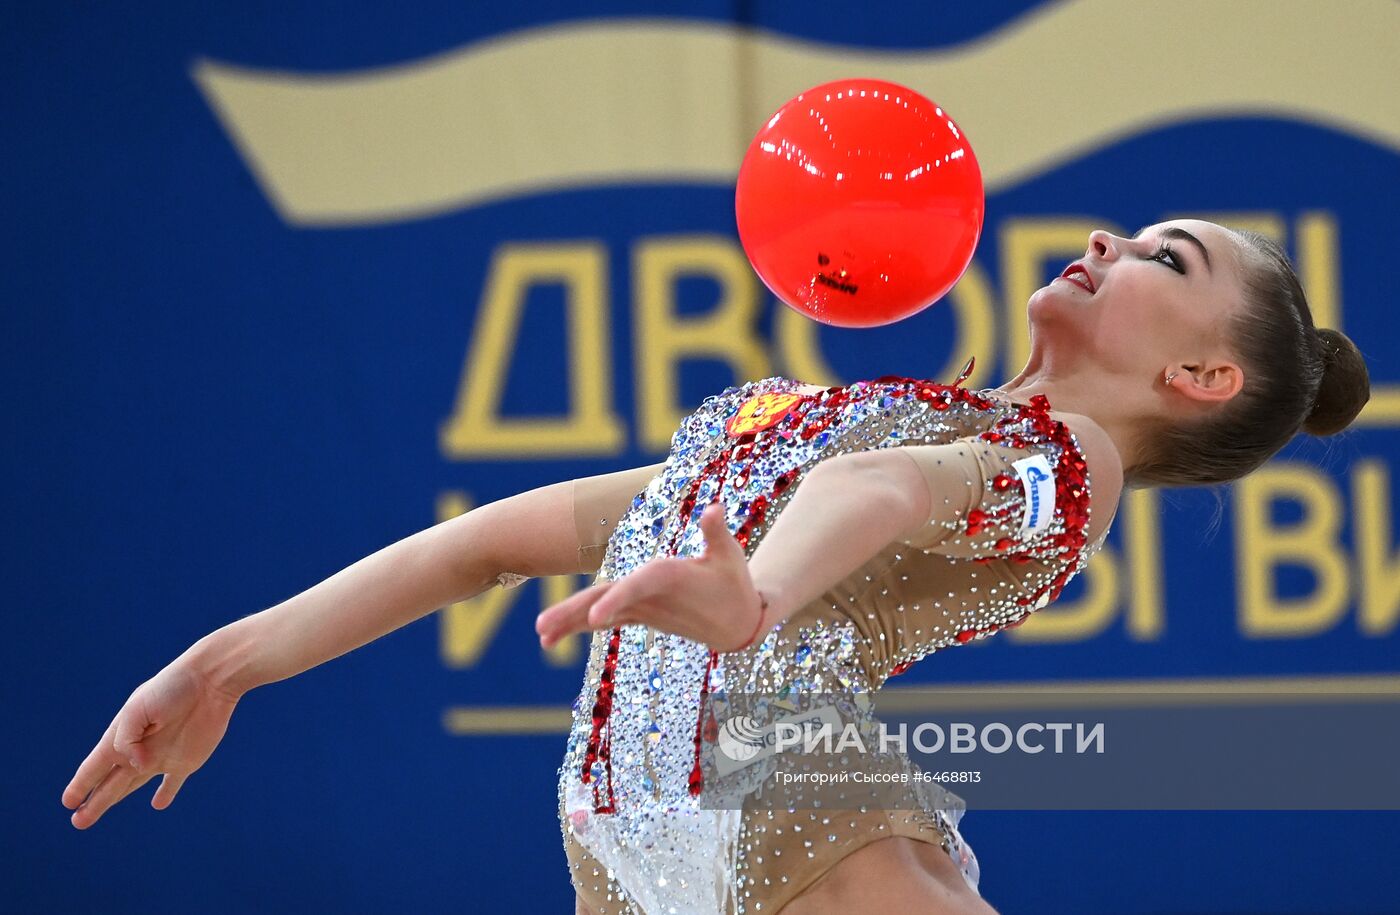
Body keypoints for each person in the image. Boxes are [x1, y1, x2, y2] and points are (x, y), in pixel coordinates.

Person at [64, 220, 1370, 915]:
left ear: (1203, 379)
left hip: (784, 776)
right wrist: (226, 661)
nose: (1107, 242)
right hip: (628, 855)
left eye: (1161, 258)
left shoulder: (1067, 456)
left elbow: (886, 488)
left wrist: (756, 599)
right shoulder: (854, 423)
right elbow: (487, 542)